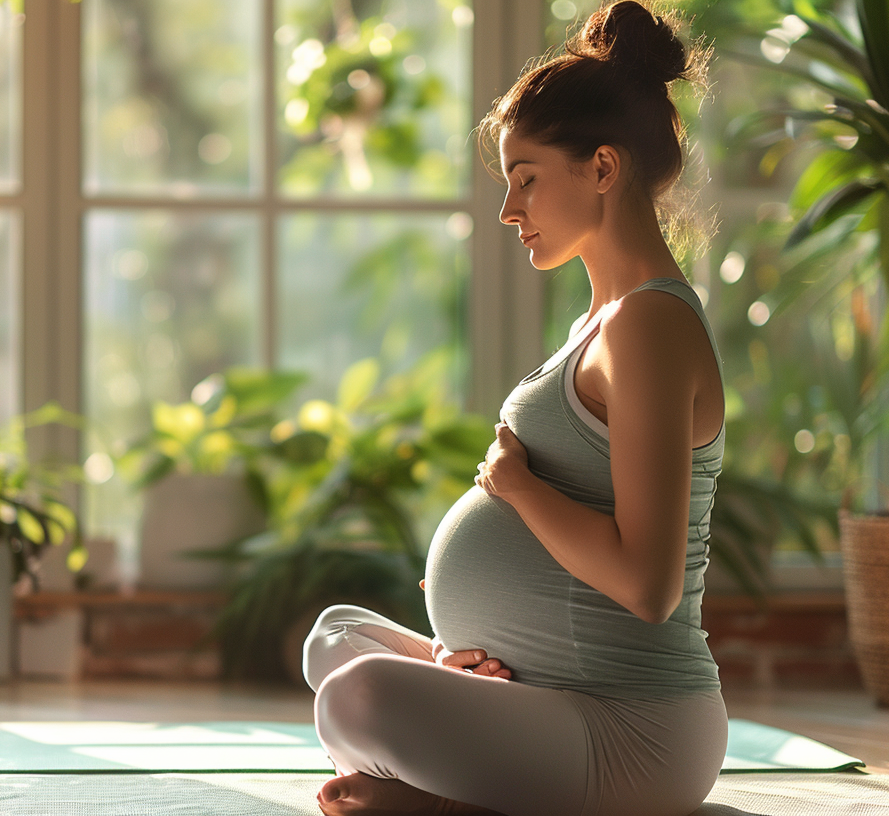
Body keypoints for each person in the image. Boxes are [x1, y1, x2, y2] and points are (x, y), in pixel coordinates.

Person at [299, 3, 728, 815]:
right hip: (541, 696)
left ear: (602, 169)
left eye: (525, 178)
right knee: (334, 637)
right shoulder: (602, 321)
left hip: (630, 730)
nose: (507, 210)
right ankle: (455, 747)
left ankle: (445, 801)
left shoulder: (650, 327)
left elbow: (648, 585)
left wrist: (519, 492)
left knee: (354, 701)